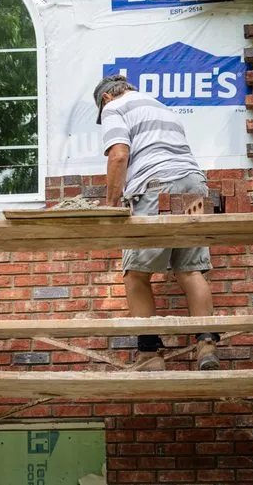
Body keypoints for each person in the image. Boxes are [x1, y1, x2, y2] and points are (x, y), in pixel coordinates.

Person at [94, 75, 219, 372]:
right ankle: (207, 346)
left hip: (155, 184)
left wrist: (112, 205)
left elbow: (118, 154)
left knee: (135, 274)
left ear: (106, 98)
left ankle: (150, 354)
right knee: (190, 269)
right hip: (194, 184)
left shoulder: (115, 108)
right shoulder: (162, 108)